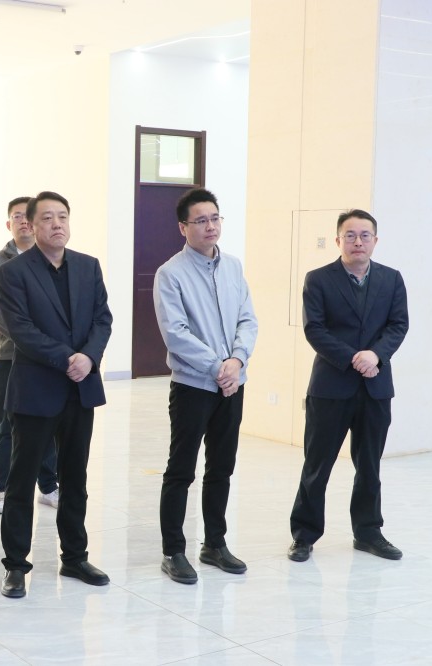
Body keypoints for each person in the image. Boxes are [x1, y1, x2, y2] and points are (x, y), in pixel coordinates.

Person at [0, 191, 113, 599]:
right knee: (22, 479)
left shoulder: (87, 266)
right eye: (47, 217)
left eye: (62, 216)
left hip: (80, 388)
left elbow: (102, 319)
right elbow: (21, 329)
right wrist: (68, 358)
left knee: (75, 476)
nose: (57, 224)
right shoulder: (14, 271)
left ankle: (75, 557)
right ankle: (15, 565)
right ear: (31, 225)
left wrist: (89, 357)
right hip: (36, 389)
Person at [288, 209, 408, 563]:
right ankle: (304, 535)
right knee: (317, 465)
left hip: (375, 386)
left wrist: (376, 355)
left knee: (370, 465)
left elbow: (398, 325)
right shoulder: (318, 279)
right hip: (331, 387)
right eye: (350, 235)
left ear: (375, 240)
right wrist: (354, 357)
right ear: (338, 240)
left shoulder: (391, 279)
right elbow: (314, 329)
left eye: (365, 235)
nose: (358, 241)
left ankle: (368, 532)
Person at [152, 187, 257, 585]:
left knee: (221, 467)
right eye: (201, 220)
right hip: (194, 386)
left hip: (233, 384)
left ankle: (215, 543)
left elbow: (248, 319)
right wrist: (217, 367)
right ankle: (173, 551)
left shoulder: (233, 266)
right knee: (181, 469)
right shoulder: (170, 274)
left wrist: (237, 360)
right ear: (183, 227)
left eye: (215, 218)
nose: (210, 226)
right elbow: (175, 333)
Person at [0, 196, 58, 514]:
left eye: (28, 216)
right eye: (17, 216)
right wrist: (33, 340)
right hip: (10, 356)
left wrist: (48, 347)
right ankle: (2, 488)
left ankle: (49, 486)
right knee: (6, 425)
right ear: (8, 223)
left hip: (46, 359)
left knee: (48, 422)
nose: (23, 221)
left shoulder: (51, 259)